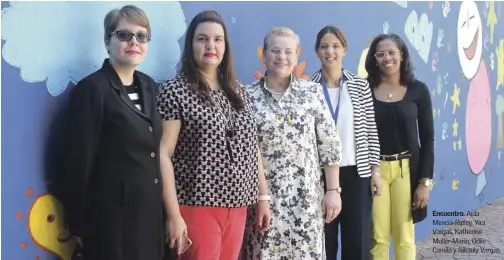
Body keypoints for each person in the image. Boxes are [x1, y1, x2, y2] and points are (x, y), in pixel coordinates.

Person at [52, 5, 164, 260]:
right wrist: (79, 226)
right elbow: (76, 165)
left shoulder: (150, 87)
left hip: (149, 222)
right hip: (110, 226)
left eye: (142, 36)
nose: (134, 41)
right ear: (107, 41)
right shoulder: (92, 89)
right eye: (124, 35)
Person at [156, 10, 270, 260]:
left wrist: (263, 195)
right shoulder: (175, 90)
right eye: (202, 39)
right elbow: (164, 153)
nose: (211, 45)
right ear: (191, 44)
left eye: (218, 39)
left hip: (238, 206)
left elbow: (253, 147)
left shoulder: (239, 91)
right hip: (197, 205)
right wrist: (174, 215)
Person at [242, 26, 342, 260]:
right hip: (264, 202)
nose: (282, 57)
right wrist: (260, 197)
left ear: (296, 56)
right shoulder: (246, 96)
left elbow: (329, 143)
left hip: (305, 201)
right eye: (275, 51)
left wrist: (332, 190)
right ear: (264, 55)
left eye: (288, 52)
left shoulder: (312, 93)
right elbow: (246, 150)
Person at [310, 25, 382, 260]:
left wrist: (375, 171)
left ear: (344, 50)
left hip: (356, 174)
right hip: (319, 177)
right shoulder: (307, 89)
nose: (330, 51)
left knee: (357, 241)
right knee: (324, 241)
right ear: (317, 51)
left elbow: (371, 129)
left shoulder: (360, 86)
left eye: (335, 46)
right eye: (324, 46)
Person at [364, 33, 434, 260]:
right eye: (380, 54)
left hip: (407, 170)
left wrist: (424, 182)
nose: (386, 58)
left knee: (405, 236)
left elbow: (428, 136)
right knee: (378, 237)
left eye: (392, 52)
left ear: (402, 55)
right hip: (375, 171)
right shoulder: (365, 90)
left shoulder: (418, 90)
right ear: (374, 59)